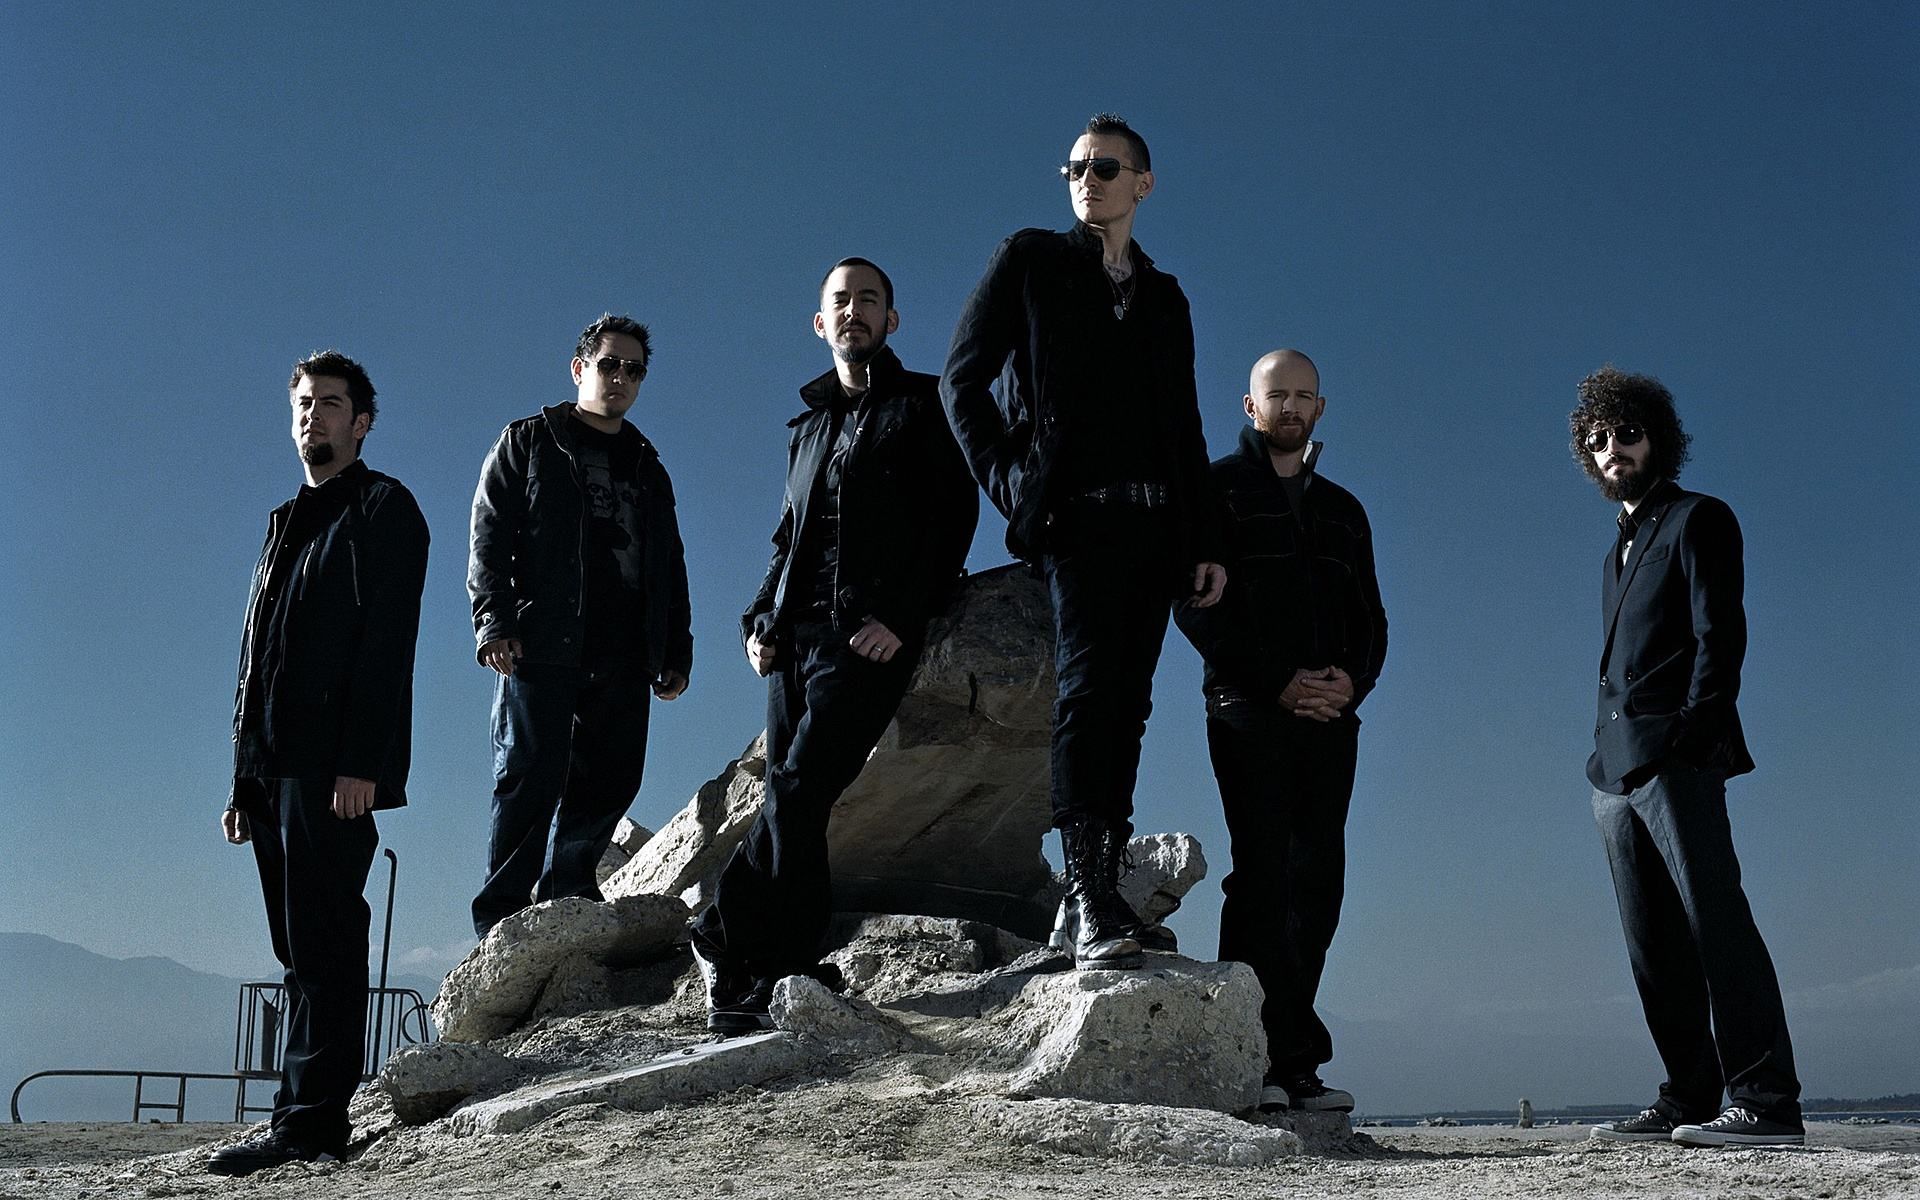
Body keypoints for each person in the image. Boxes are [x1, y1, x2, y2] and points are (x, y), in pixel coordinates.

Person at [941, 113, 1225, 967]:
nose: (1086, 180)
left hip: (1156, 525)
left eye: (1105, 167)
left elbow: (1185, 425)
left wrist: (1204, 537)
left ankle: (1094, 897)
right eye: (1075, 167)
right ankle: (1088, 891)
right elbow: (962, 383)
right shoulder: (1032, 259)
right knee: (1091, 693)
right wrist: (1014, 484)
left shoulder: (1166, 297)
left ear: (1143, 183)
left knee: (1129, 707)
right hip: (1077, 521)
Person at [690, 258, 977, 1033]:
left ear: (891, 320)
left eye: (868, 300)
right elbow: (789, 536)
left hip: (865, 636)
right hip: (792, 638)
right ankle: (788, 965)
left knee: (797, 786)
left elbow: (953, 520)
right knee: (800, 801)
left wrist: (903, 616)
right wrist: (758, 619)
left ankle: (720, 935)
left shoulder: (925, 406)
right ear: (821, 323)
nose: (854, 311)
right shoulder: (808, 427)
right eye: (840, 301)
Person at [1573, 367, 1803, 1148]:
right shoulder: (1615, 551)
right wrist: (1603, 758)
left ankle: (1766, 1101)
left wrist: (1690, 737)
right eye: (1597, 439)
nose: (1612, 448)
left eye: (1627, 433)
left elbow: (1720, 635)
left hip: (1674, 757)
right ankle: (1691, 1095)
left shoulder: (1699, 518)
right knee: (1653, 947)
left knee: (1716, 924)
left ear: (1660, 438)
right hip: (1613, 769)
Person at [211, 351, 429, 1175]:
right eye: (304, 403)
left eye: (331, 404)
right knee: (295, 947)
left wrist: (362, 763)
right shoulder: (283, 523)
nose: (314, 416)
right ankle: (294, 1116)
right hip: (272, 768)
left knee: (327, 941)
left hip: (335, 768)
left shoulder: (383, 508)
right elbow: (257, 659)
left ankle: (312, 1126)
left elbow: (387, 645)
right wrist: (242, 777)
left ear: (361, 423)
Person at [1174, 349, 1385, 1115]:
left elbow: (1371, 618)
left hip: (1331, 717)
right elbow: (1194, 606)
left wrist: (1352, 682)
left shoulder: (1344, 510)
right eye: (1276, 395)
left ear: (1320, 409)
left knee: (1317, 882)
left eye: (1303, 396)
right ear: (1250, 405)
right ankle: (1246, 1057)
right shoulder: (1214, 492)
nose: (1290, 407)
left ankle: (1294, 1062)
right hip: (1247, 710)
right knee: (1262, 877)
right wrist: (1276, 681)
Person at [467, 314, 693, 936]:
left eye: (634, 370)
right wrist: (494, 621)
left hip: (625, 648)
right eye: (609, 364)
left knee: (613, 775)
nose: (621, 378)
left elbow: (669, 562)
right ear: (579, 368)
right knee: (528, 777)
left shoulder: (648, 465)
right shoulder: (529, 441)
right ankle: (501, 921)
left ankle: (568, 891)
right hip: (541, 640)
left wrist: (676, 648)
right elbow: (489, 536)